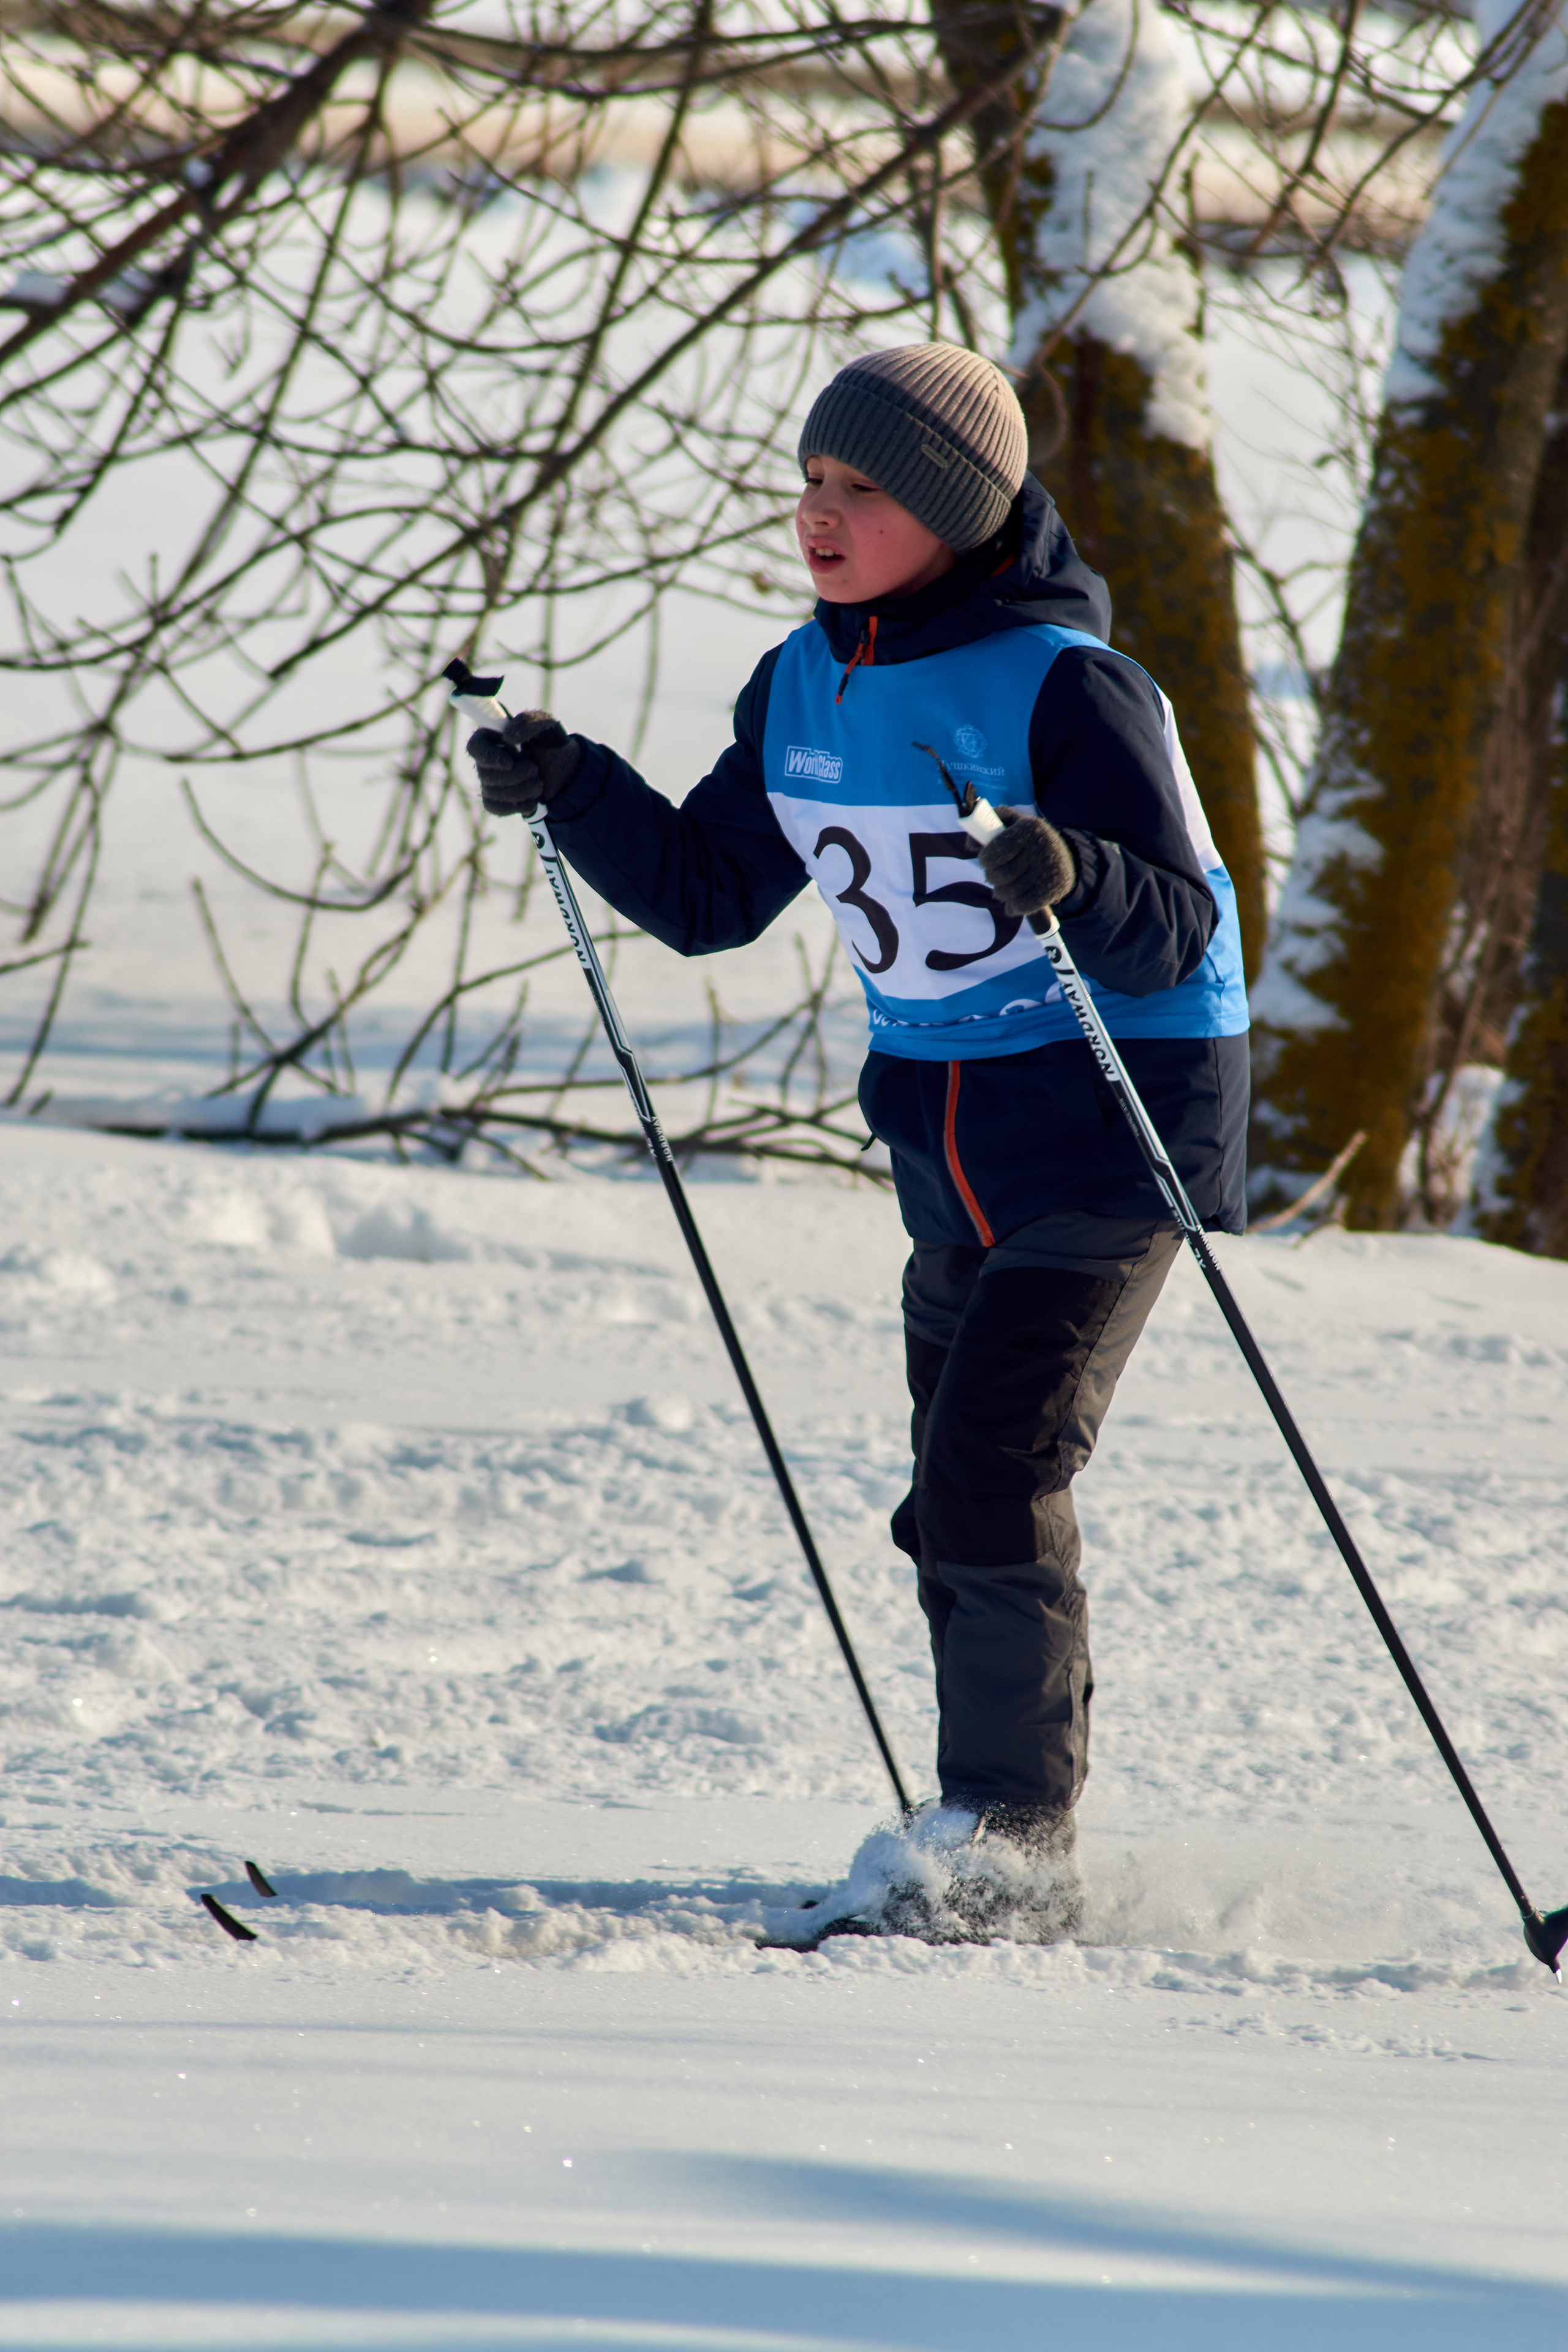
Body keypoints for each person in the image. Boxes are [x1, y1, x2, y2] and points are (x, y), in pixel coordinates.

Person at [466, 342, 1249, 1942]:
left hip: (1115, 1124)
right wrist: (578, 788)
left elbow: (1173, 929)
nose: (821, 517)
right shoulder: (802, 681)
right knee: (951, 1496)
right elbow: (705, 894)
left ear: (956, 511)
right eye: (813, 483)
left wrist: (1070, 875)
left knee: (992, 1469)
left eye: (864, 490)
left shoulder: (1066, 685)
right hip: (948, 1141)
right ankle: (988, 1823)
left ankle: (1009, 1857)